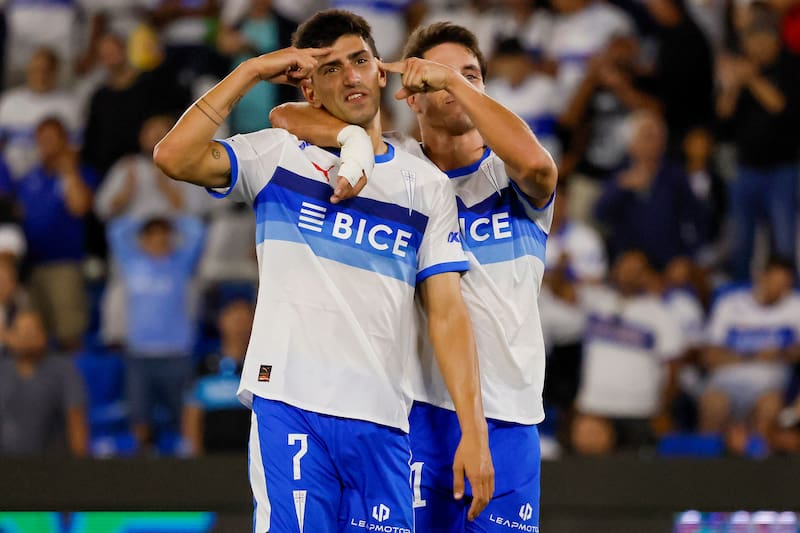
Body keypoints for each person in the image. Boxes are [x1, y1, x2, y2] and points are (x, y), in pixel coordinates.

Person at [154, 10, 493, 531]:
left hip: (383, 418)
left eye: (359, 60)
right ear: (309, 91)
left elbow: (447, 313)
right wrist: (249, 72)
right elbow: (173, 156)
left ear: (381, 72)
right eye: (330, 68)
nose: (351, 75)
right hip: (291, 401)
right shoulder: (277, 157)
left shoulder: (424, 187)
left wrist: (474, 430)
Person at [270, 20, 557, 532]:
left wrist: (452, 83)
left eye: (471, 75)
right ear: (411, 95)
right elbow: (286, 115)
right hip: (414, 412)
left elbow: (538, 166)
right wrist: (352, 139)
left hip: (510, 414)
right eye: (439, 75)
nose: (455, 83)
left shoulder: (512, 178)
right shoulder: (393, 167)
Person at [571, 251, 684, 455]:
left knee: (636, 475)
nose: (629, 275)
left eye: (636, 270)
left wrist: (664, 409)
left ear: (647, 275)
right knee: (590, 471)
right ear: (615, 271)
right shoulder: (596, 301)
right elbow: (562, 294)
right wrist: (564, 268)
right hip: (596, 405)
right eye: (625, 268)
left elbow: (673, 367)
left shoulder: (661, 314)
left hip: (640, 409)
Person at [107, 214, 205, 450]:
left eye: (163, 234)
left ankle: (189, 464)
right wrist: (147, 214)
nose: (158, 239)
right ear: (142, 239)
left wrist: (170, 217)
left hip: (176, 355)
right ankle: (144, 460)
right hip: (139, 356)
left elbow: (198, 231)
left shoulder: (181, 263)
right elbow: (115, 231)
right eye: (152, 234)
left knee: (184, 417)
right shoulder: (132, 262)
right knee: (140, 418)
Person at [717, 10, 800, 281]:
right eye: (751, 40)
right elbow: (723, 120)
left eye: (762, 39)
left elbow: (782, 108)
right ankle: (739, 296)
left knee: (785, 240)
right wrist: (731, 86)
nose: (757, 46)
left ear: (775, 39)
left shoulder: (791, 65)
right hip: (746, 169)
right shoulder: (743, 68)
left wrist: (752, 79)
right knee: (741, 240)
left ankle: (791, 298)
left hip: (784, 169)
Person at [699, 256, 800, 455]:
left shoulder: (795, 306)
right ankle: (706, 474)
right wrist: (755, 355)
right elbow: (710, 356)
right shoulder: (729, 304)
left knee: (769, 407)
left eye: (785, 286)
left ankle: (757, 473)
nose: (780, 291)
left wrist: (781, 352)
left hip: (768, 387)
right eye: (775, 283)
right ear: (761, 277)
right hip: (725, 383)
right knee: (712, 404)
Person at [17, 117, 98, 351]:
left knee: (69, 333)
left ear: (65, 141)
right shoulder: (29, 177)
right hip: (31, 266)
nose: (46, 146)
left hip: (65, 265)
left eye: (52, 139)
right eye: (41, 140)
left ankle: (71, 384)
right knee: (36, 337)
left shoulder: (80, 173)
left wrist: (69, 170)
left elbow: (80, 206)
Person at [0, 310, 88, 456]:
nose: (26, 337)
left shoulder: (63, 370)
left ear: (44, 335)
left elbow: (76, 419)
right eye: (20, 331)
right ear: (12, 336)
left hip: (49, 466)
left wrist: (80, 467)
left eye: (31, 331)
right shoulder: (3, 369)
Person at [182, 297, 255, 455]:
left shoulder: (258, 368)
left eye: (244, 319)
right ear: (222, 321)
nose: (239, 326)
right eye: (234, 318)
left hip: (247, 459)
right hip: (210, 460)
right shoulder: (204, 367)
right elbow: (193, 413)